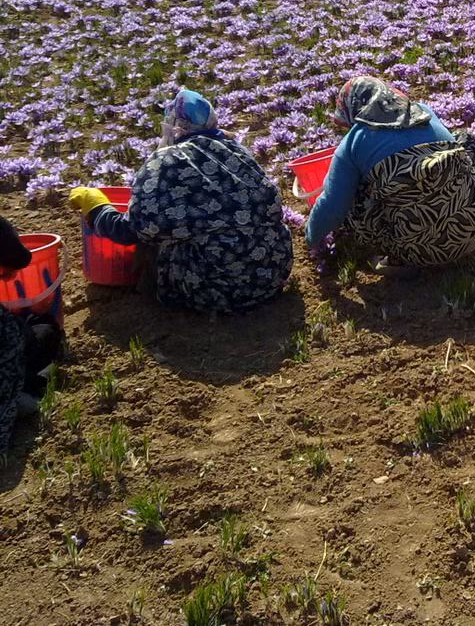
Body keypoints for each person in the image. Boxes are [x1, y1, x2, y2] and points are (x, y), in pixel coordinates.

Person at [68, 89, 293, 313]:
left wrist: (97, 208)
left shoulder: (167, 160)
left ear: (174, 124)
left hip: (217, 289)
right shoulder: (238, 151)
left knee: (153, 244)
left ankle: (156, 302)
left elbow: (132, 230)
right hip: (272, 273)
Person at [304, 76, 475, 268]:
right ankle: (472, 211)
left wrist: (311, 239)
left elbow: (332, 207)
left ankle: (398, 259)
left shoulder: (355, 141)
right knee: (464, 141)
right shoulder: (425, 112)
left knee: (353, 195)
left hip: (419, 251)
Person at [1, 216, 64, 448]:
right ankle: (22, 399)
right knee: (46, 332)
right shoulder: (7, 329)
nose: (9, 277)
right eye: (5, 272)